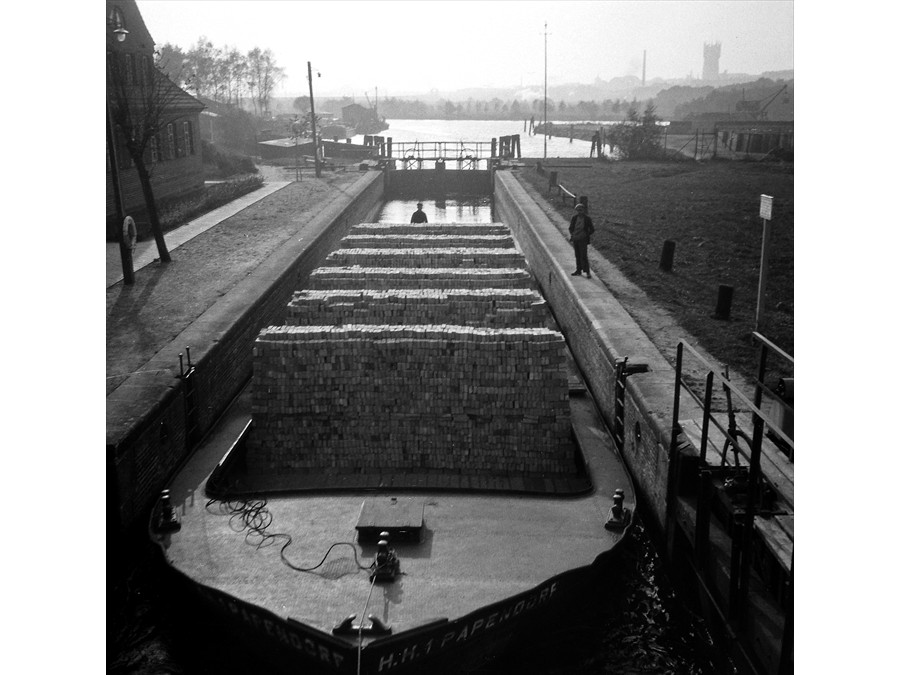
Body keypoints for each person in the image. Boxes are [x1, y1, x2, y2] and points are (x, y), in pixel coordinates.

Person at [568, 202, 595, 278]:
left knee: (583, 255)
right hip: (576, 239)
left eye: (581, 210)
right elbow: (571, 227)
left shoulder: (587, 219)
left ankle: (587, 272)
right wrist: (573, 234)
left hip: (583, 240)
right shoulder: (574, 218)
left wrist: (585, 235)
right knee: (577, 255)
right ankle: (578, 270)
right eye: (578, 210)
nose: (580, 212)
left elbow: (592, 229)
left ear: (583, 210)